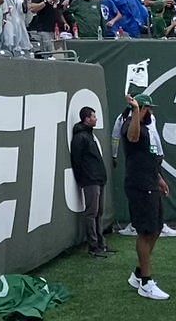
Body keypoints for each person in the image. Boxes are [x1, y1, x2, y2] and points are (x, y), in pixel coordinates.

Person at [121, 93, 171, 300]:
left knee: (157, 229)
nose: (151, 112)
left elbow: (148, 157)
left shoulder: (146, 129)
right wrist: (134, 110)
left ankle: (138, 274)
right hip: (139, 187)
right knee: (145, 231)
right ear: (139, 109)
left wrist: (159, 178)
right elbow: (132, 137)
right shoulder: (130, 126)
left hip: (151, 183)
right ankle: (146, 283)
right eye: (147, 108)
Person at [70, 106, 111, 258]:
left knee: (98, 212)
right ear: (86, 118)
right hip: (90, 180)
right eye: (93, 116)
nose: (96, 119)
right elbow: (77, 160)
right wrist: (83, 178)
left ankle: (102, 243)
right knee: (92, 213)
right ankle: (93, 246)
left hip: (98, 178)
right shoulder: (81, 137)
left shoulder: (88, 135)